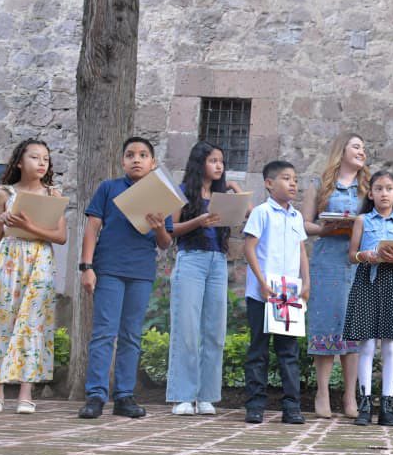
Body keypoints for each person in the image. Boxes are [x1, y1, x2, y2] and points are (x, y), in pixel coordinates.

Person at [0, 139, 67, 414]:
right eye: (35, 157)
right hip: (8, 260)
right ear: (20, 162)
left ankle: (26, 392)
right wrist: (2, 221)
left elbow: (60, 236)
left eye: (45, 158)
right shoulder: (4, 193)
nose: (42, 162)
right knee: (0, 319)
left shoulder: (53, 195)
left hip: (39, 261)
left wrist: (29, 225)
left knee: (33, 323)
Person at [78, 137, 173, 419]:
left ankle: (124, 396)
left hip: (141, 272)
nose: (136, 159)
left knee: (131, 336)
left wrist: (158, 228)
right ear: (122, 161)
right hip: (108, 269)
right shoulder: (109, 188)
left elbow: (165, 243)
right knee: (104, 333)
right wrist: (86, 267)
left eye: (143, 155)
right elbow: (92, 227)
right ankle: (96, 395)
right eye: (130, 154)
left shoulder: (159, 195)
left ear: (152, 163)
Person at [166, 142, 245, 416]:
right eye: (213, 160)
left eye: (221, 161)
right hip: (191, 259)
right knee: (187, 329)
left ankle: (207, 395)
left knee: (215, 331)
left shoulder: (222, 195)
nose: (219, 166)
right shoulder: (184, 192)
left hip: (217, 262)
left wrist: (235, 189)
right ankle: (182, 396)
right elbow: (170, 229)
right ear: (200, 163)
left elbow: (251, 212)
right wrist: (198, 221)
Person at [300, 133, 368, 419]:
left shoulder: (367, 189)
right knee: (326, 323)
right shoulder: (319, 185)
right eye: (356, 146)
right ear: (341, 151)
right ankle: (323, 391)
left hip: (355, 262)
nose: (361, 151)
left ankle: (350, 396)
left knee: (353, 328)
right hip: (327, 259)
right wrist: (325, 229)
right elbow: (303, 224)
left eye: (363, 148)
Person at [241, 160, 310, 425]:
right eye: (285, 178)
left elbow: (301, 250)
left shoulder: (296, 216)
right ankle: (255, 404)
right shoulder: (261, 212)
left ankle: (292, 406)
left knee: (288, 350)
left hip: (288, 293)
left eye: (295, 179)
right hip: (263, 292)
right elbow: (250, 248)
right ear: (269, 183)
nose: (293, 183)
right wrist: (260, 280)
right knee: (259, 348)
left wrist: (306, 281)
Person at [342, 170, 393, 426]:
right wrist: (366, 256)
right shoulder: (362, 220)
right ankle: (364, 404)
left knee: (390, 344)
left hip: (392, 281)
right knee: (367, 344)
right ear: (370, 193)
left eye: (389, 188)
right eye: (379, 189)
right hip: (366, 280)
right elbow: (351, 255)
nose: (384, 193)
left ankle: (388, 405)